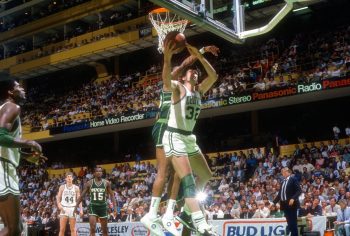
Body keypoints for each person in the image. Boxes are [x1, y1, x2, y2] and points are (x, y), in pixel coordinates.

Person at [161, 42, 218, 235]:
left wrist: (201, 57)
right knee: (188, 180)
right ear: (184, 77)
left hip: (189, 138)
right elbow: (167, 80)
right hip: (174, 135)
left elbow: (214, 76)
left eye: (196, 72)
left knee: (206, 175)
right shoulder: (178, 88)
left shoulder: (199, 91)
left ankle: (186, 211)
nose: (195, 73)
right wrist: (167, 58)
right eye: (191, 71)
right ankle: (198, 220)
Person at [0, 79, 43, 236]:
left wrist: (25, 156)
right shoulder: (12, 107)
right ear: (10, 92)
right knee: (13, 229)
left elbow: (4, 144)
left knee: (15, 228)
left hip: (4, 166)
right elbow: (0, 136)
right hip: (2, 168)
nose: (23, 89)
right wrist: (29, 142)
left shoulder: (4, 108)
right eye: (18, 86)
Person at [75, 167, 116, 236]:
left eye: (100, 171)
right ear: (94, 173)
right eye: (97, 171)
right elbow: (81, 196)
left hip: (103, 207)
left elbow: (112, 195)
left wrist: (115, 208)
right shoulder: (89, 183)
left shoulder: (107, 183)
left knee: (105, 230)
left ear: (102, 173)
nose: (99, 172)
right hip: (93, 207)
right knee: (92, 228)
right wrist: (75, 207)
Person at [273, 167, 301, 236]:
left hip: (291, 204)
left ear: (288, 172)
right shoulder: (282, 182)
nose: (283, 173)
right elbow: (280, 194)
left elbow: (299, 190)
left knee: (293, 223)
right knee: (289, 223)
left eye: (284, 172)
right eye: (282, 172)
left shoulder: (293, 179)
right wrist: (273, 202)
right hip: (284, 205)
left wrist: (293, 198)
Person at [56, 172, 82, 236]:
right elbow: (58, 197)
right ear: (65, 179)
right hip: (64, 208)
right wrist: (59, 205)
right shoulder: (62, 187)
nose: (69, 178)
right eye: (68, 177)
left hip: (72, 208)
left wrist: (81, 209)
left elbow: (79, 199)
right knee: (62, 229)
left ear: (72, 178)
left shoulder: (76, 188)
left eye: (70, 176)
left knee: (73, 229)